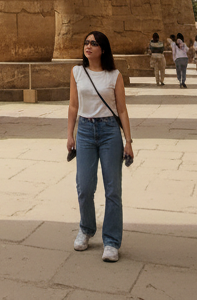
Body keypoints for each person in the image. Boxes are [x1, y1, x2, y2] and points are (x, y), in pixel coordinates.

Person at [67, 30, 133, 263]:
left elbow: (122, 109)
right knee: (84, 186)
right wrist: (70, 135)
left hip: (109, 132)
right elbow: (73, 106)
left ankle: (112, 241)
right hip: (85, 131)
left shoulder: (114, 76)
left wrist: (128, 141)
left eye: (94, 43)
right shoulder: (77, 72)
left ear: (103, 49)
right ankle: (86, 228)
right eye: (86, 42)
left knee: (112, 189)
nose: (88, 46)